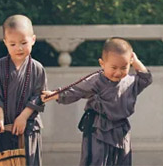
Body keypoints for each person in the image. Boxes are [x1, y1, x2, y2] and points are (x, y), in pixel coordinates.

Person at [41, 37, 152, 166]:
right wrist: (54, 95)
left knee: (121, 162)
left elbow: (146, 78)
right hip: (99, 129)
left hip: (121, 131)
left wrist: (136, 61)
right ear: (102, 64)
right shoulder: (96, 80)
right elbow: (76, 90)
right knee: (97, 161)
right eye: (114, 67)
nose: (118, 72)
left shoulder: (131, 81)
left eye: (124, 67)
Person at [0, 14, 47, 166]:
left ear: (33, 40)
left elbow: (38, 97)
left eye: (23, 42)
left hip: (28, 126)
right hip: (4, 126)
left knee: (29, 162)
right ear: (5, 43)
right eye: (12, 44)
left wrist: (23, 117)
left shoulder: (37, 68)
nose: (19, 48)